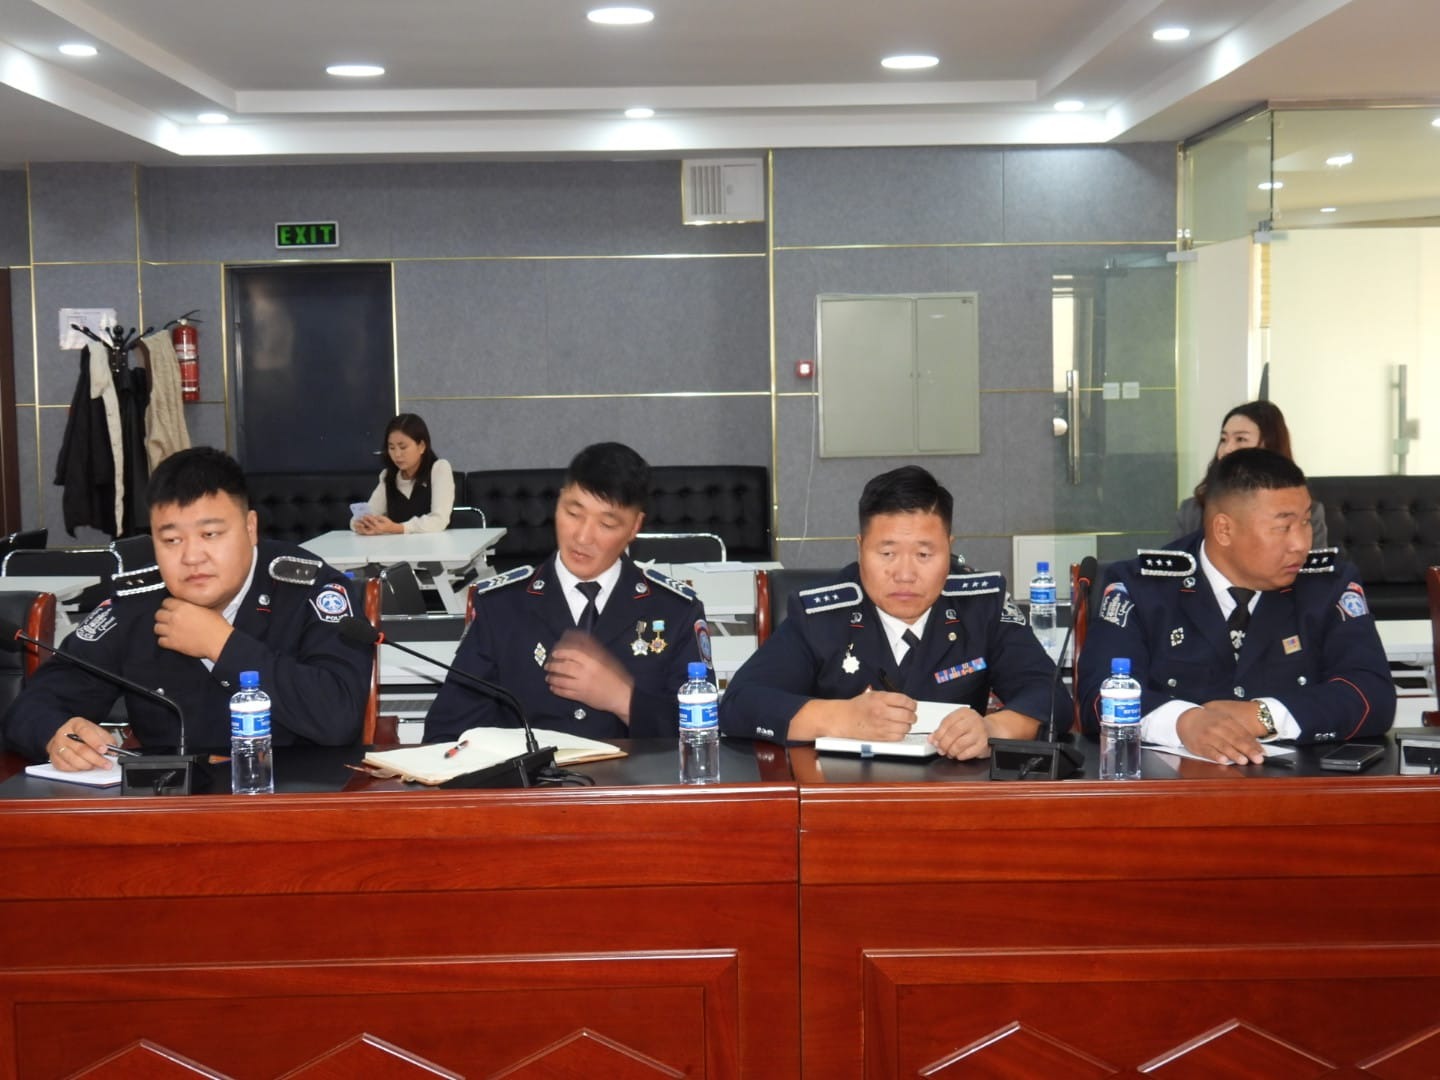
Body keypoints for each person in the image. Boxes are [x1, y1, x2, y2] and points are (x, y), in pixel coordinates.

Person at [1, 447, 373, 769]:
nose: (192, 556)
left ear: (250, 528)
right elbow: (33, 706)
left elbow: (339, 716)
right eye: (171, 540)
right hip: (172, 808)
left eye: (210, 534)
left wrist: (222, 645)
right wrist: (57, 734)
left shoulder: (309, 589)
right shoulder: (139, 604)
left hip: (296, 803)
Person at [719, 465, 1066, 760]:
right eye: (887, 554)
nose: (905, 575)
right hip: (841, 796)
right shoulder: (821, 615)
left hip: (954, 797)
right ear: (860, 549)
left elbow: (1050, 697)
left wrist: (992, 730)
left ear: (949, 549)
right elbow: (740, 704)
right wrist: (840, 718)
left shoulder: (981, 605)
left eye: (924, 555)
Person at [1081, 448, 1393, 764]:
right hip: (1174, 787)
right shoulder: (1142, 588)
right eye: (1283, 527)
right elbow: (1098, 697)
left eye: (1305, 522)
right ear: (1224, 530)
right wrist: (1182, 722)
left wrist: (1263, 716)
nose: (1301, 543)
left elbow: (1372, 694)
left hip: (1297, 786)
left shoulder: (1326, 585)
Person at [423, 441, 707, 742]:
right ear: (558, 502)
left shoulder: (675, 611)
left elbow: (702, 737)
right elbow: (445, 735)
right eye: (573, 513)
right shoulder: (501, 607)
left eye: (606, 523)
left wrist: (623, 699)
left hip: (634, 774)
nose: (582, 537)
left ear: (634, 526)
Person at [1176, 400, 1327, 546]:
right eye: (1223, 439)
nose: (1227, 449)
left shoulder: (1308, 513)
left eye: (1240, 439)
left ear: (1269, 447)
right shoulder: (1193, 511)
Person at [353, 413, 454, 535]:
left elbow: (439, 520)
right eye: (392, 448)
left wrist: (397, 528)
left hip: (434, 545)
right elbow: (370, 512)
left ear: (421, 446)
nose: (397, 454)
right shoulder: (388, 476)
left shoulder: (439, 468)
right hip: (396, 546)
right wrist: (360, 524)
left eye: (403, 447)